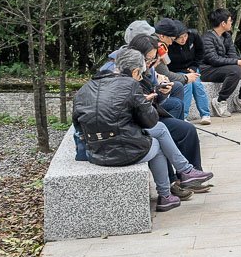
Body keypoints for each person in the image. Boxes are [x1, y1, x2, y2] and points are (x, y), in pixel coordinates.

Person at [72, 49, 214, 212]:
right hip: (120, 151)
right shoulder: (130, 85)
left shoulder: (85, 88)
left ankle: (179, 180)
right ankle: (171, 189)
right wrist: (144, 103)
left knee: (156, 137)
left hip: (95, 153)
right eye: (141, 74)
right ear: (134, 71)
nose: (141, 77)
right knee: (157, 139)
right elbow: (150, 121)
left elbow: (78, 124)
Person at [200, 7, 241, 117]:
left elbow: (232, 55)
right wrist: (238, 62)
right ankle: (220, 101)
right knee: (235, 70)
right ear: (223, 23)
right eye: (230, 20)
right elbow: (214, 60)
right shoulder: (206, 38)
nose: (231, 23)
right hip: (207, 70)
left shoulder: (227, 36)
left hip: (222, 67)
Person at [155, 18, 211, 125]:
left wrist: (194, 67)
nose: (183, 40)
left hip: (191, 67)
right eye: (179, 38)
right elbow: (166, 66)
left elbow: (201, 51)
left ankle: (205, 114)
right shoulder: (166, 44)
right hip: (176, 70)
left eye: (185, 36)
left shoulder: (193, 35)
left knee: (197, 85)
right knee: (186, 86)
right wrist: (185, 76)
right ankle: (183, 115)